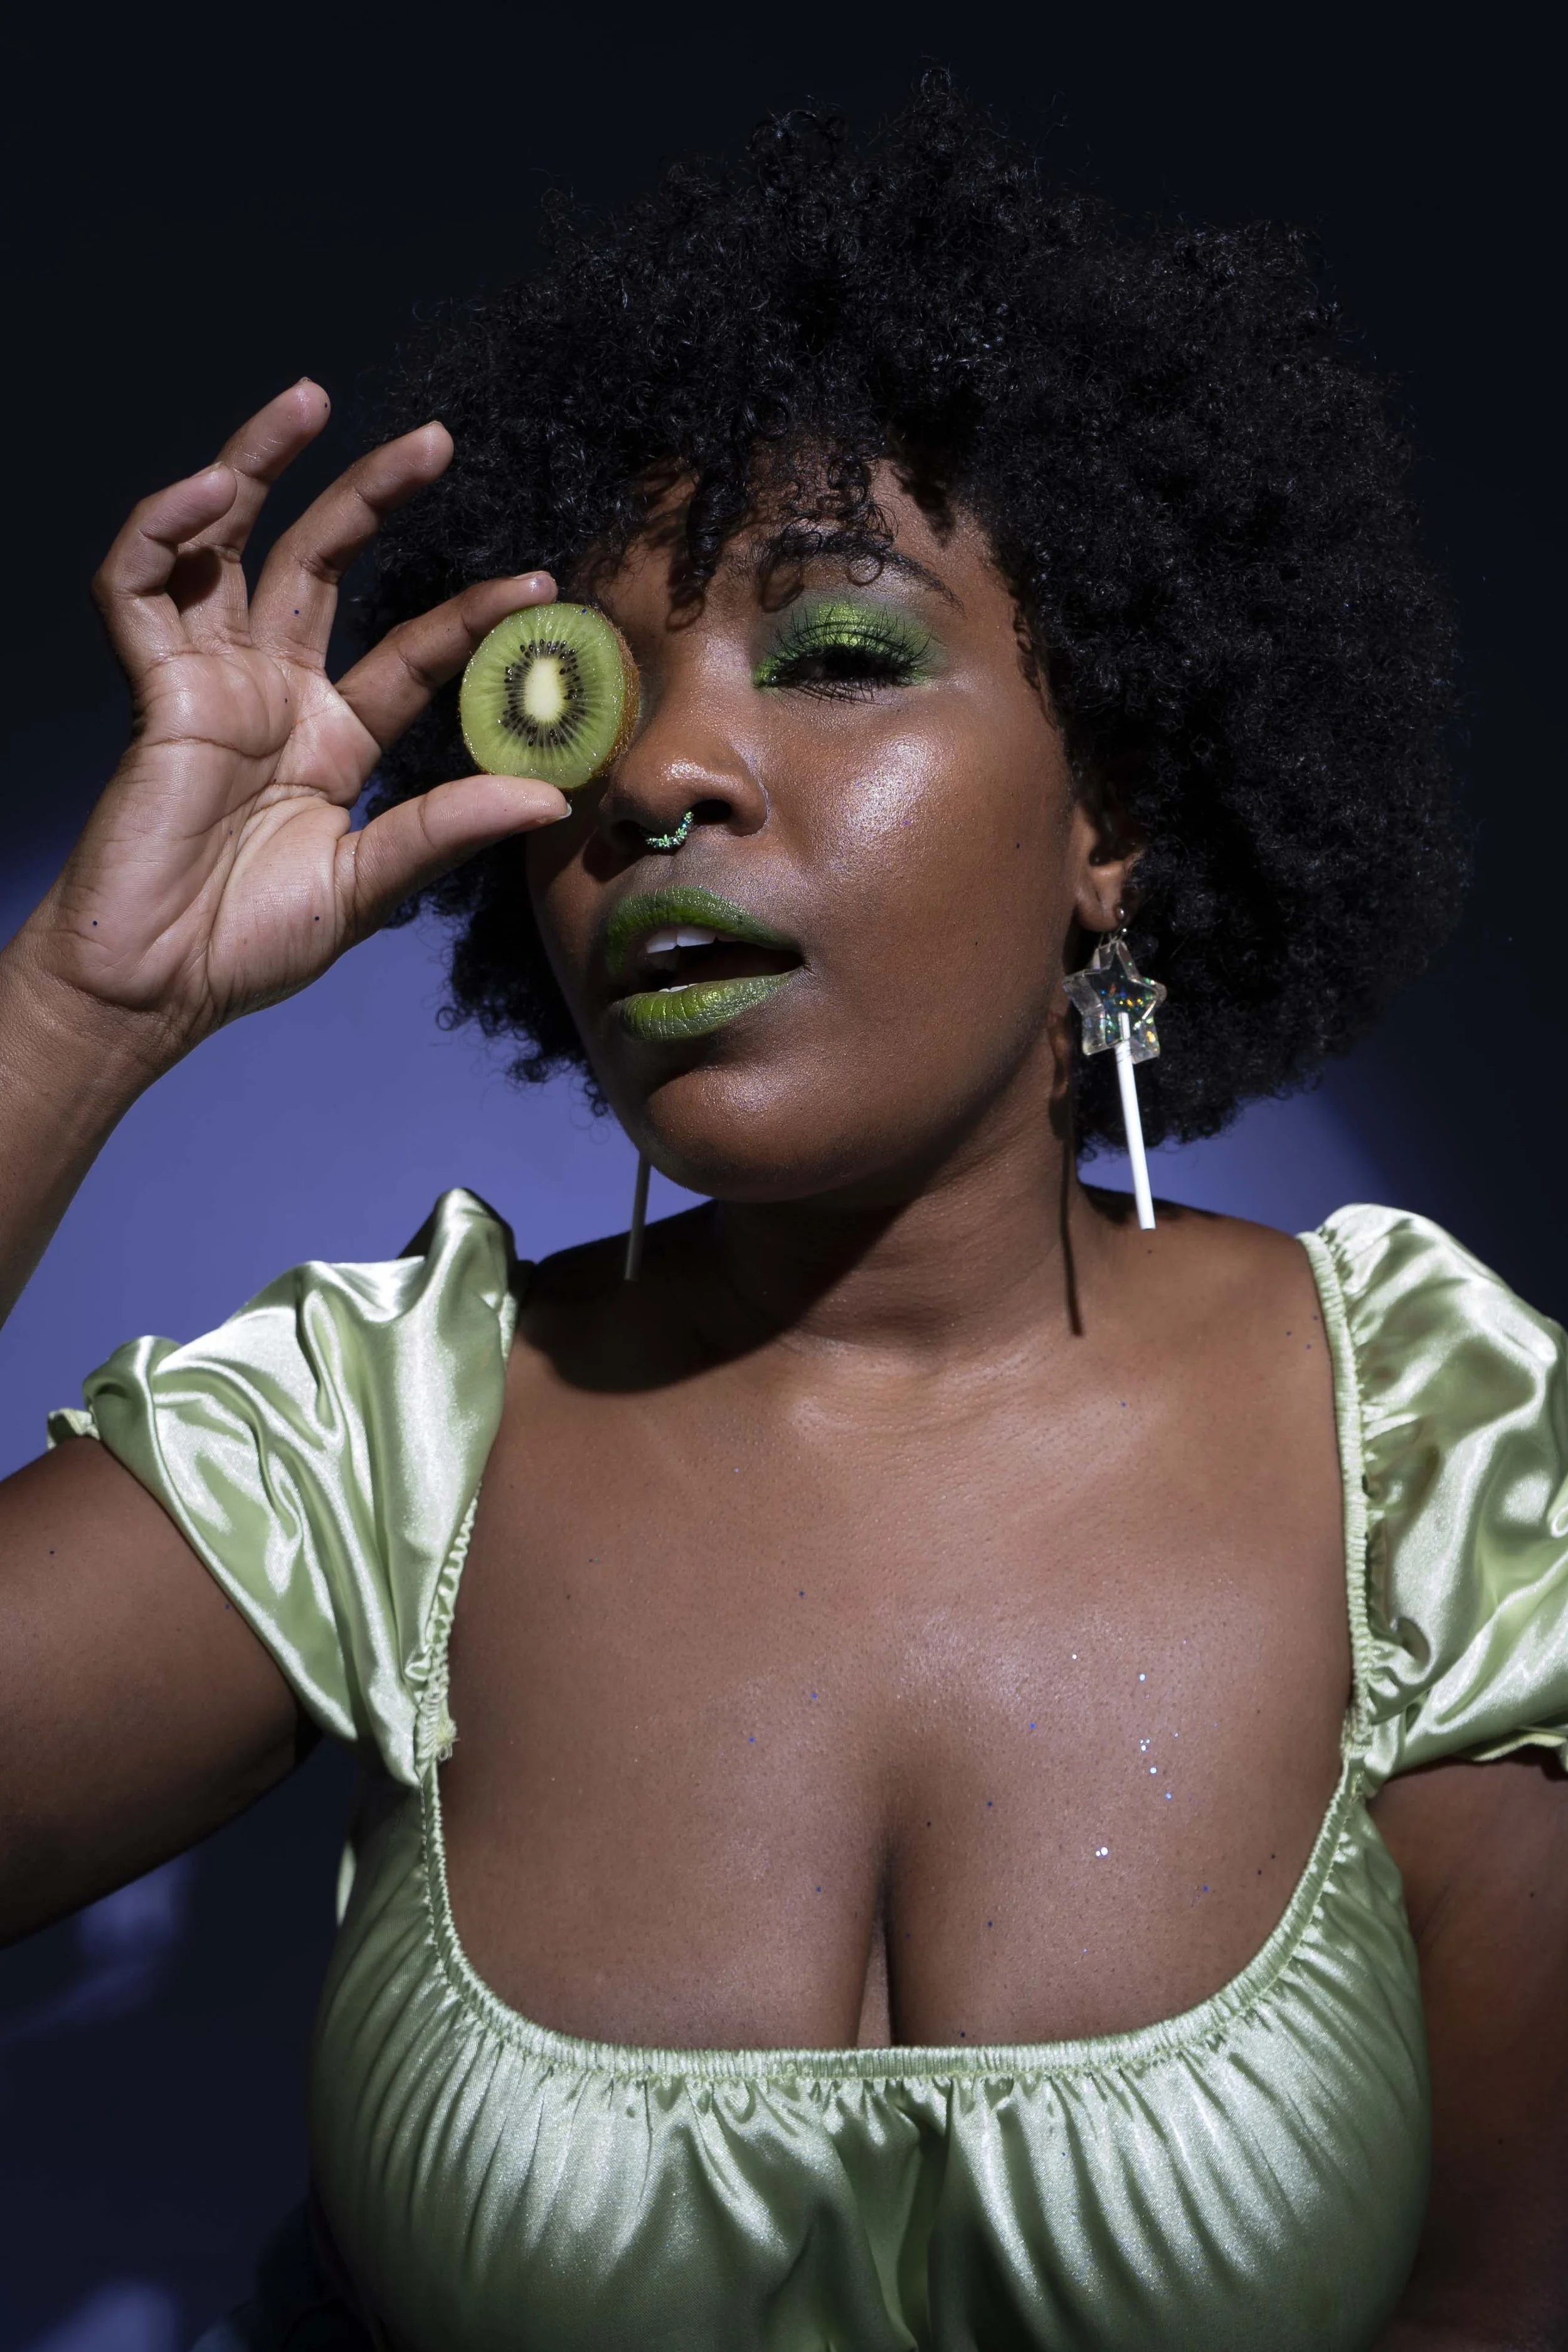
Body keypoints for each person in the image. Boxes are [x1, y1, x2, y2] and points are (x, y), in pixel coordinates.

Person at [1, 79, 1565, 2352]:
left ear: (1110, 806)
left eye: (836, 654)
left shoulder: (1429, 1451)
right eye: (590, 700)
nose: (652, 777)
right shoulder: (391, 1438)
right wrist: (80, 1012)